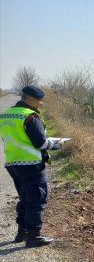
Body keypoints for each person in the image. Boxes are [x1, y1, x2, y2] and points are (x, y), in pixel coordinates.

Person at [0, 85, 65, 247]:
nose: (41, 103)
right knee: (36, 199)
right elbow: (40, 143)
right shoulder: (30, 116)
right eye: (39, 100)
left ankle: (21, 233)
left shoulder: (5, 115)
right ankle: (34, 236)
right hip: (32, 164)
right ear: (29, 99)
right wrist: (57, 144)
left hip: (13, 163)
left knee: (24, 197)